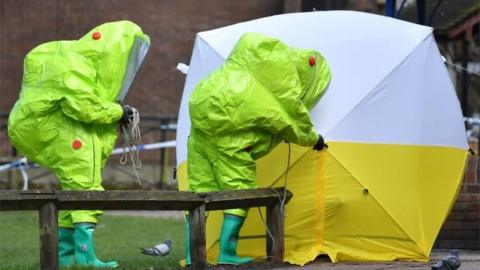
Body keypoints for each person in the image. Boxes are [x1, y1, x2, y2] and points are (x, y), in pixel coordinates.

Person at [8, 21, 150, 268]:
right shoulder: (75, 64)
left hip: (49, 127)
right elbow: (84, 107)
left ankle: (64, 258)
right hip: (58, 129)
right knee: (86, 187)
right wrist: (118, 112)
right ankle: (86, 258)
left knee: (73, 192)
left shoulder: (77, 60)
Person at [185, 32, 331, 265]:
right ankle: (228, 253)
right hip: (232, 144)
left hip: (200, 134)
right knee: (238, 192)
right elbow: (292, 125)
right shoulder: (270, 96)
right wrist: (314, 140)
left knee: (199, 191)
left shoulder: (228, 74)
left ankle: (193, 254)